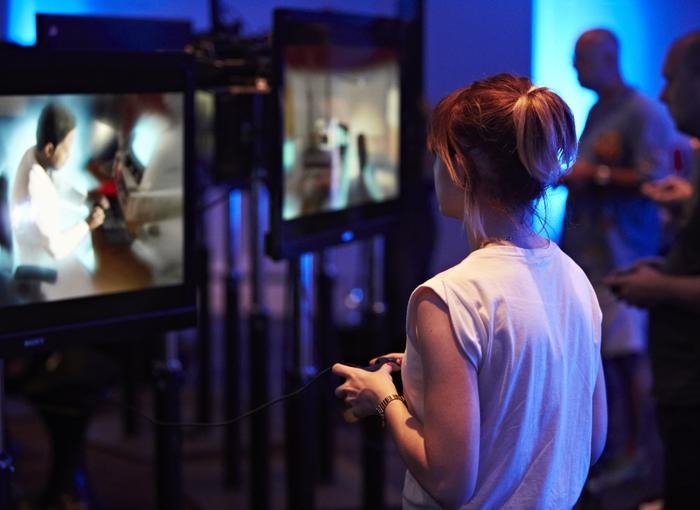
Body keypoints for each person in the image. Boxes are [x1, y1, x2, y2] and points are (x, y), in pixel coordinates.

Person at [333, 73, 607, 509]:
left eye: (437, 157)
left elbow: (448, 482)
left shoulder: (447, 297)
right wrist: (437, 368)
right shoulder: (576, 279)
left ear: (460, 168)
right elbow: (591, 439)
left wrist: (382, 398)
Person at [559, 28, 677, 485]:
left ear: (608, 58)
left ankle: (639, 455)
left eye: (582, 60)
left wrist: (595, 174)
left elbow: (657, 181)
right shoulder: (597, 110)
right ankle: (608, 450)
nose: (575, 69)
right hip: (591, 259)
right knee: (602, 361)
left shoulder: (643, 112)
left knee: (628, 360)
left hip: (624, 256)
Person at [604, 30, 700, 509]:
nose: (663, 95)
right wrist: (666, 269)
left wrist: (660, 286)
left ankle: (634, 456)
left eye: (671, 80)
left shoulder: (640, 112)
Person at [10, 102, 105, 301]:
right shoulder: (33, 191)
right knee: (100, 287)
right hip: (42, 276)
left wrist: (86, 197)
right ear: (49, 149)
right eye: (67, 148)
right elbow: (56, 249)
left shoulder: (34, 155)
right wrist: (88, 224)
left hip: (44, 255)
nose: (70, 154)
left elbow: (54, 182)